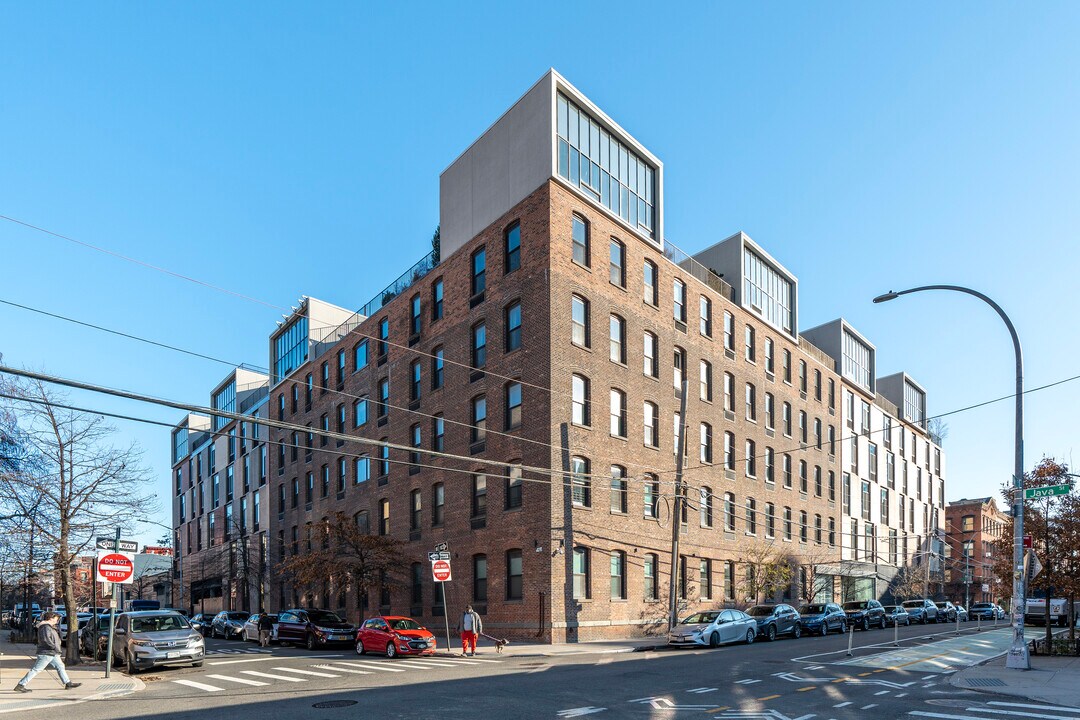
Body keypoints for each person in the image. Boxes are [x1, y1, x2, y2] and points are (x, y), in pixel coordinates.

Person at [13, 611, 82, 693]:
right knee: (36, 669)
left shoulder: (48, 627)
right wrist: (54, 647)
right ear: (51, 618)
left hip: (52, 653)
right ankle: (21, 685)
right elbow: (46, 639)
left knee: (60, 666)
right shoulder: (45, 627)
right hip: (47, 652)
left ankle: (67, 683)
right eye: (56, 619)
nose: (57, 620)